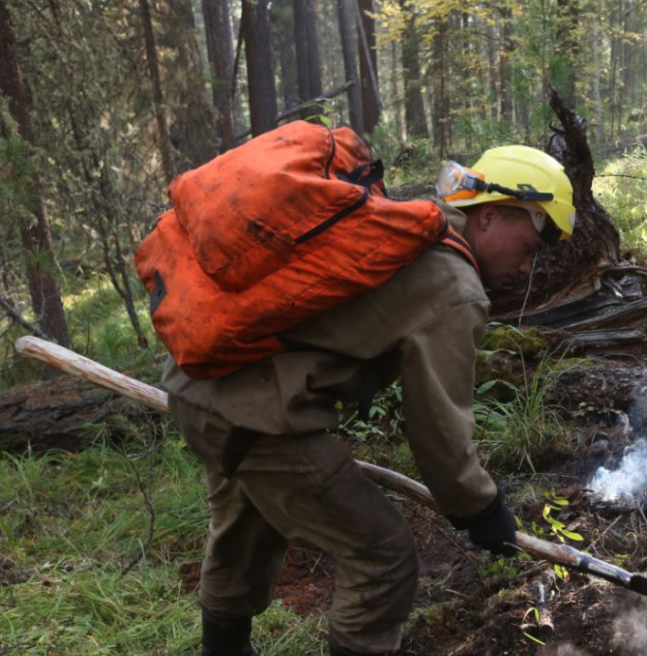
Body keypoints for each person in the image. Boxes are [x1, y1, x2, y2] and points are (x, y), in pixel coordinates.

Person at [164, 146, 576, 656]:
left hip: (199, 386)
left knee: (245, 528)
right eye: (530, 248)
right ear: (489, 214)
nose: (528, 267)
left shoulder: (405, 233)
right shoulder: (455, 285)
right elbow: (439, 432)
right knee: (382, 557)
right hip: (257, 416)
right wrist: (482, 510)